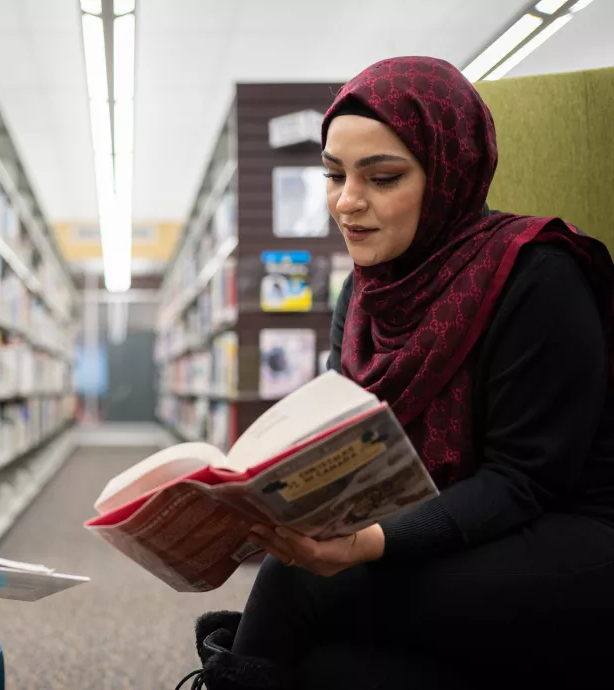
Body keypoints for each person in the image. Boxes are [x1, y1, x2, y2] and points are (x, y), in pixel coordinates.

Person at [180, 56, 614, 690]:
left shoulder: (536, 275)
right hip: (436, 520)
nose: (347, 203)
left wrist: (367, 543)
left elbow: (522, 480)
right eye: (333, 175)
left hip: (567, 531)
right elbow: (352, 444)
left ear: (446, 176)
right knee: (325, 661)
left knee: (298, 588)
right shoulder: (359, 297)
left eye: (382, 178)